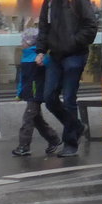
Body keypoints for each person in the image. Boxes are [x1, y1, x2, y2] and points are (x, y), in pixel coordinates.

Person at [37, 0, 99, 157]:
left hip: (74, 55)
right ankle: (77, 126)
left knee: (70, 98)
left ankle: (70, 143)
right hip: (55, 55)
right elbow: (43, 26)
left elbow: (91, 26)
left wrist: (73, 42)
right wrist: (40, 50)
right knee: (49, 97)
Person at [11, 26, 62, 157]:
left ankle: (24, 146)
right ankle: (54, 139)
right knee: (37, 119)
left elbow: (50, 72)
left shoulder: (40, 57)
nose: (21, 43)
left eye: (23, 41)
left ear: (30, 42)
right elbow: (22, 78)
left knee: (28, 119)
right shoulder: (25, 57)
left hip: (36, 93)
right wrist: (19, 93)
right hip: (30, 93)